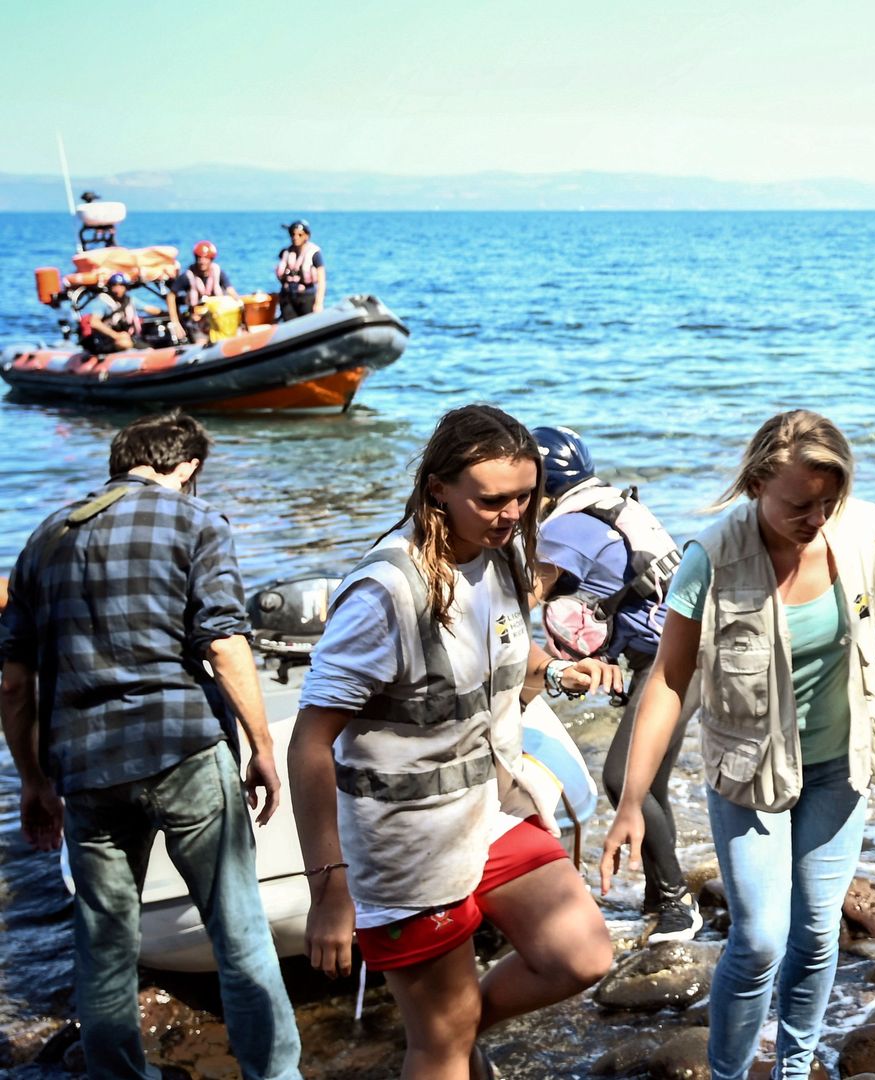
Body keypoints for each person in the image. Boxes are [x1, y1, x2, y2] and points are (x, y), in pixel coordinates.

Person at [290, 404, 621, 1079]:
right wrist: (330, 888)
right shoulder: (385, 593)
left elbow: (500, 647)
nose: (511, 513)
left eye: (525, 497)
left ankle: (453, 1030)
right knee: (439, 1045)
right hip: (405, 844)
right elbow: (310, 744)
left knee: (582, 955)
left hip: (485, 811)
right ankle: (440, 1043)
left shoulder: (503, 556)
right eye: (493, 500)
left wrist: (556, 669)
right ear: (438, 489)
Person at [0, 411, 301, 1079]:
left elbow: (15, 684)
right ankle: (274, 1076)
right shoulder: (196, 522)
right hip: (181, 747)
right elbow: (224, 644)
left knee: (105, 945)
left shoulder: (44, 537)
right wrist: (262, 748)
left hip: (84, 766)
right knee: (238, 930)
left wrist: (32, 780)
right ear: (189, 467)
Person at [597, 410, 875, 1080]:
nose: (815, 517)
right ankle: (729, 1072)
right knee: (760, 938)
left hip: (839, 766)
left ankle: (795, 1065)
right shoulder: (712, 558)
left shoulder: (861, 530)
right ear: (760, 481)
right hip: (750, 775)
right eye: (799, 503)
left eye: (828, 501)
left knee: (818, 934)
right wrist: (630, 805)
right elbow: (670, 684)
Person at [528, 424, 697, 941]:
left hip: (673, 662)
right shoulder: (612, 504)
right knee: (650, 781)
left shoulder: (559, 532)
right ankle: (658, 893)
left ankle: (677, 905)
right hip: (697, 648)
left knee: (624, 781)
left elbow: (519, 601)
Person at [168, 240, 241, 343]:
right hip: (198, 322)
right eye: (199, 258)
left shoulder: (218, 273)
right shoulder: (188, 276)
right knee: (201, 344)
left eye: (206, 258)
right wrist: (175, 321)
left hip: (218, 319)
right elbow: (171, 295)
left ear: (211, 259)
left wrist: (239, 302)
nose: (202, 261)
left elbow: (230, 290)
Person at [274, 219, 326, 321]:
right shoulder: (286, 253)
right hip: (288, 297)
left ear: (306, 236)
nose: (295, 237)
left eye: (300, 235)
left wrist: (319, 303)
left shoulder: (314, 254)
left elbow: (322, 281)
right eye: (293, 234)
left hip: (306, 297)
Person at [82, 272, 141, 353]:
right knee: (124, 343)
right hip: (106, 341)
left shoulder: (129, 300)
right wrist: (116, 336)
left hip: (128, 337)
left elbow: (150, 309)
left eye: (121, 285)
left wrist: (162, 312)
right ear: (110, 287)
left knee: (148, 346)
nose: (118, 289)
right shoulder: (102, 302)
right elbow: (94, 322)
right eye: (114, 285)